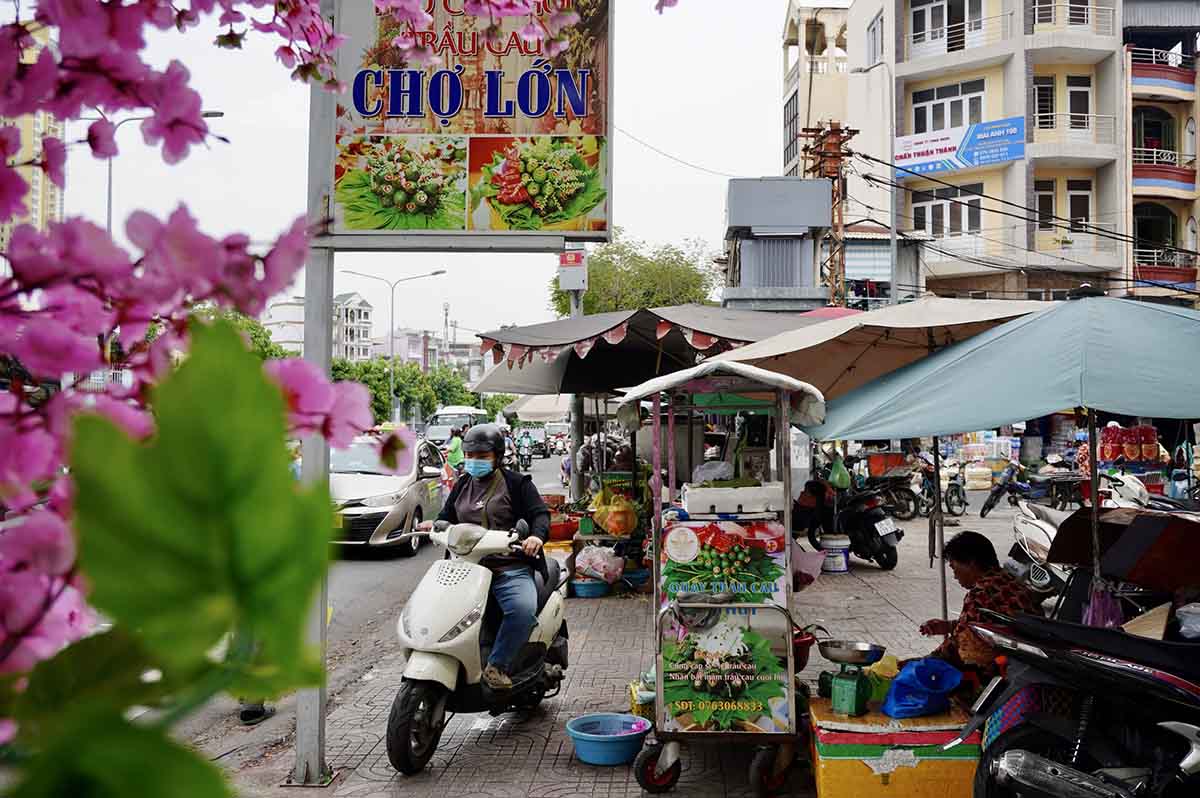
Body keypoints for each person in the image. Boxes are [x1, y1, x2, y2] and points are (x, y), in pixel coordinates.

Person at [436, 424, 550, 691]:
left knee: (522, 611)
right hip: (466, 567)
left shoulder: (516, 483)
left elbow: (540, 515)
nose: (474, 461)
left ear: (497, 456)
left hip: (508, 566)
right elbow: (446, 516)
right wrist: (435, 526)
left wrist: (535, 537)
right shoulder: (463, 483)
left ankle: (497, 666)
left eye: (482, 456)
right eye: (470, 455)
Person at [919, 531, 1040, 678]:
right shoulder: (1011, 582)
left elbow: (956, 646)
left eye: (954, 567)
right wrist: (949, 626)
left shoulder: (982, 593)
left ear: (971, 563)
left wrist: (919, 664)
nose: (955, 575)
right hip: (1029, 663)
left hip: (1006, 670)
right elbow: (987, 625)